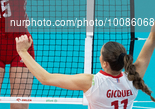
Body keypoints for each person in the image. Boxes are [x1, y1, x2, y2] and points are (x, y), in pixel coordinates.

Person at [16, 23, 155, 109]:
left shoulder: (92, 82)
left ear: (105, 64)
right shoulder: (132, 78)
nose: (99, 56)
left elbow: (45, 78)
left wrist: (22, 51)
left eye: (100, 54)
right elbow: (151, 40)